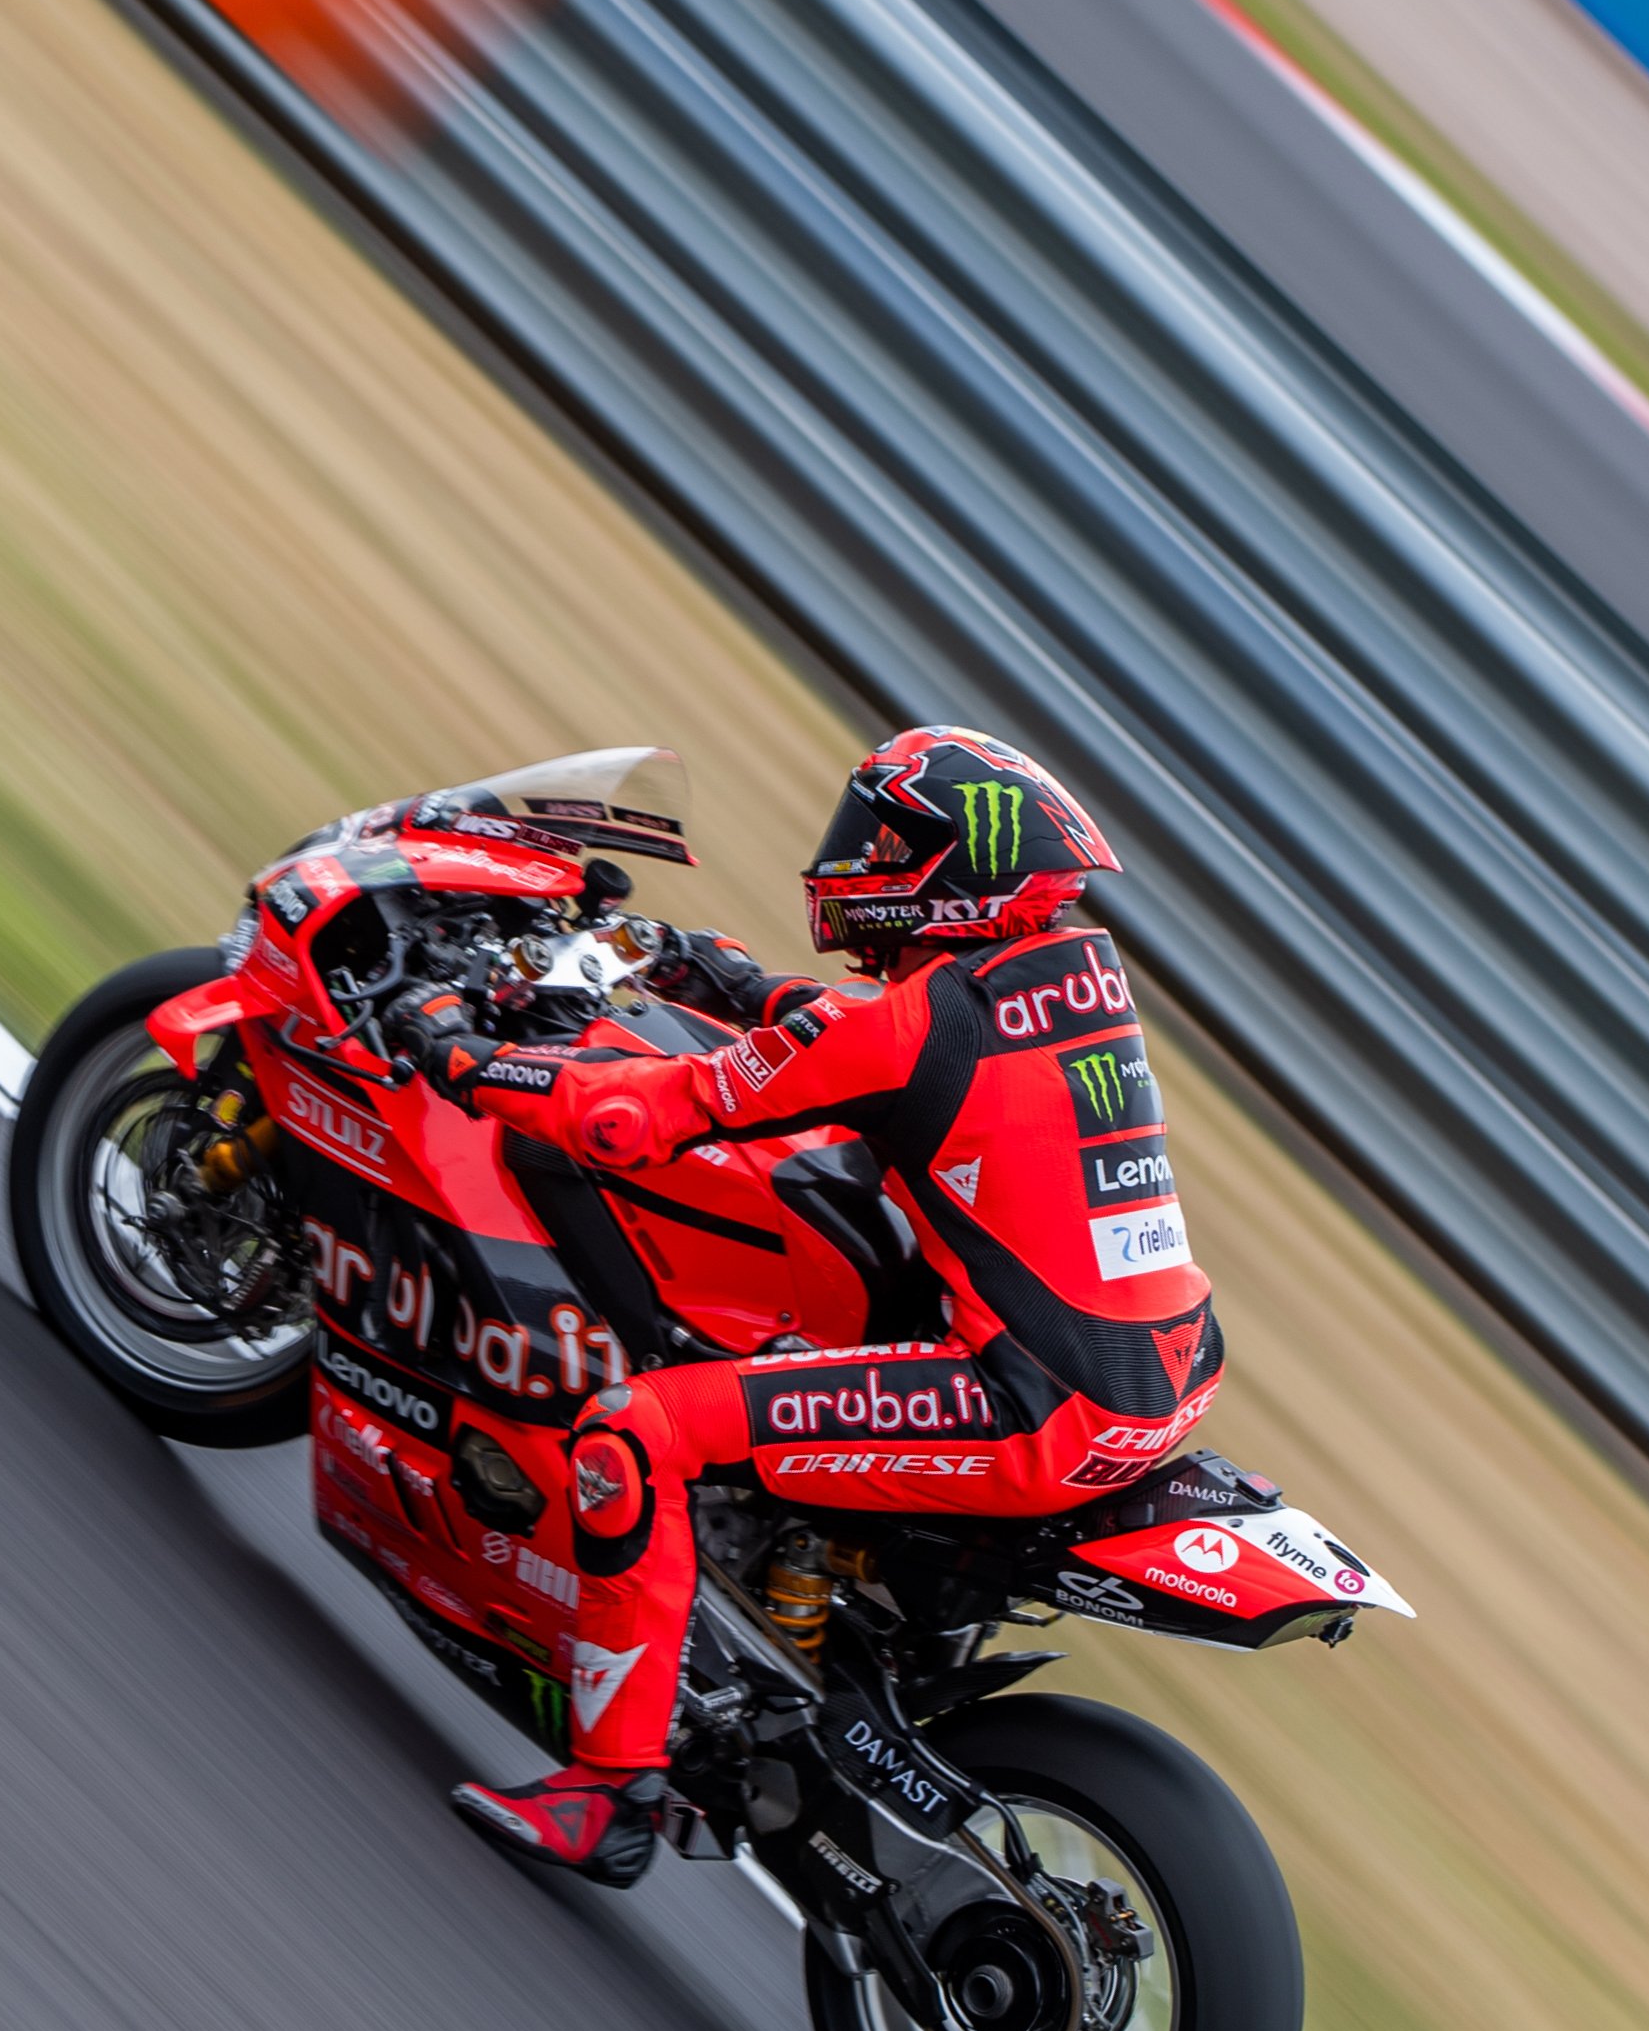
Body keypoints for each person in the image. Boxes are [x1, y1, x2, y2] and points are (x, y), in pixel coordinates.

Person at [400, 727, 1223, 1882]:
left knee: (637, 1430)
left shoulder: (918, 1023)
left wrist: (462, 1057)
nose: (848, 862)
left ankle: (609, 1792)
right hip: (1166, 1374)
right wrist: (728, 978)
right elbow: (871, 1046)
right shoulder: (1073, 973)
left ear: (946, 874)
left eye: (877, 845)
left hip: (1035, 1403)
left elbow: (628, 1119)